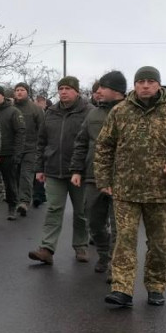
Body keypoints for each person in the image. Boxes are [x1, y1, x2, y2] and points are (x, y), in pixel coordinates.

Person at [94, 65, 166, 308]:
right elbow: (104, 146)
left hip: (161, 191)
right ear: (134, 85)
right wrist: (103, 180)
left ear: (158, 84)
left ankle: (156, 286)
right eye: (140, 81)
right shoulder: (120, 112)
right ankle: (122, 289)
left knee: (158, 243)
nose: (145, 85)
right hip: (125, 190)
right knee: (124, 240)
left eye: (150, 81)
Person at [28, 76, 91, 265]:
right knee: (54, 209)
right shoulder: (51, 112)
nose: (63, 91)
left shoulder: (88, 112)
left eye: (68, 88)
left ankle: (81, 246)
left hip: (79, 171)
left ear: (77, 91)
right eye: (61, 88)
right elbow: (42, 142)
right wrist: (40, 168)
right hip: (54, 168)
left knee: (81, 211)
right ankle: (47, 248)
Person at [70, 71, 125, 276]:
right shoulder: (93, 114)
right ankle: (103, 254)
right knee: (93, 221)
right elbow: (81, 142)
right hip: (93, 176)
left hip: (121, 179)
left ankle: (114, 264)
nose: (98, 92)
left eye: (103, 87)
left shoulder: (128, 112)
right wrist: (76, 169)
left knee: (120, 226)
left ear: (117, 90)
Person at [0, 85, 25, 222]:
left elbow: (20, 133)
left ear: (3, 96)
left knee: (10, 182)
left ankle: (12, 207)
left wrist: (17, 153)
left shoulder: (13, 112)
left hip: (8, 153)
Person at [12, 82, 43, 217]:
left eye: (22, 90)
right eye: (17, 90)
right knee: (15, 175)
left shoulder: (35, 109)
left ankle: (24, 202)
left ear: (27, 92)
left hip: (31, 148)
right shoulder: (11, 108)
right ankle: (16, 199)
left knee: (26, 174)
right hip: (14, 148)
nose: (19, 92)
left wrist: (41, 147)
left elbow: (42, 129)